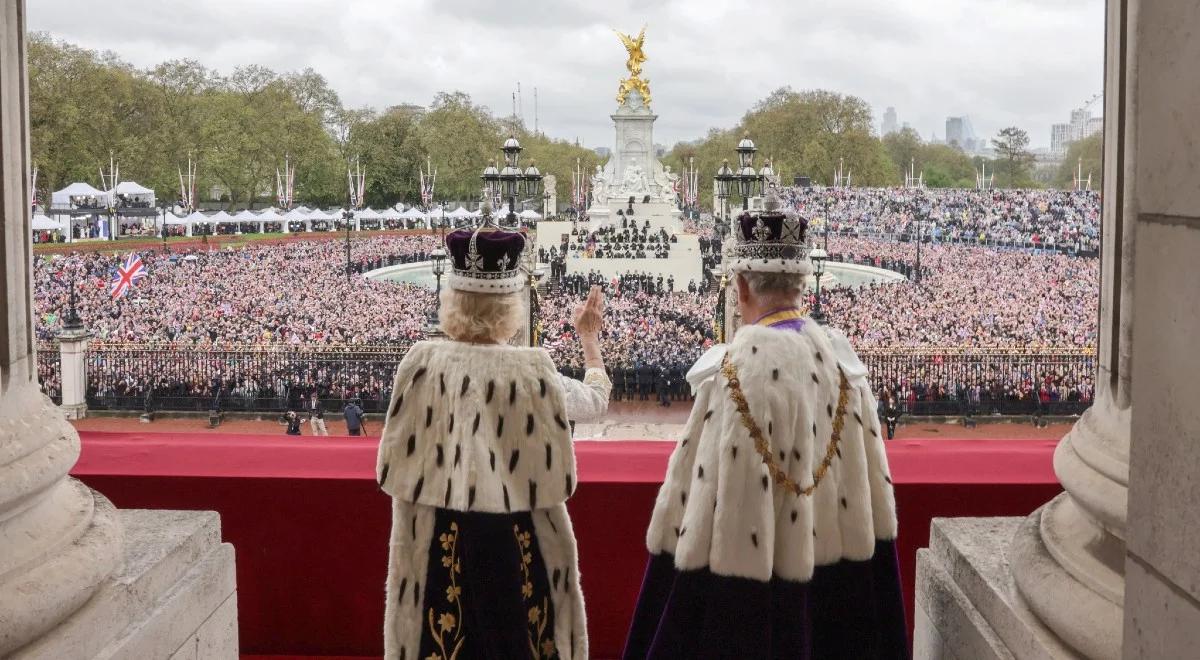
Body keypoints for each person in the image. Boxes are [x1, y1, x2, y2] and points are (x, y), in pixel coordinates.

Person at [623, 191, 906, 658]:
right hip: (839, 587)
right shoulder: (844, 367)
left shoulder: (733, 373)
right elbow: (874, 498)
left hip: (749, 596)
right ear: (801, 286)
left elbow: (702, 506)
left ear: (742, 289)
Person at [375, 217, 611, 660]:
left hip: (436, 538)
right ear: (510, 307)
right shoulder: (532, 371)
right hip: (517, 539)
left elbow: (392, 465)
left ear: (452, 301)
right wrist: (589, 341)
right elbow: (596, 400)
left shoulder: (419, 363)